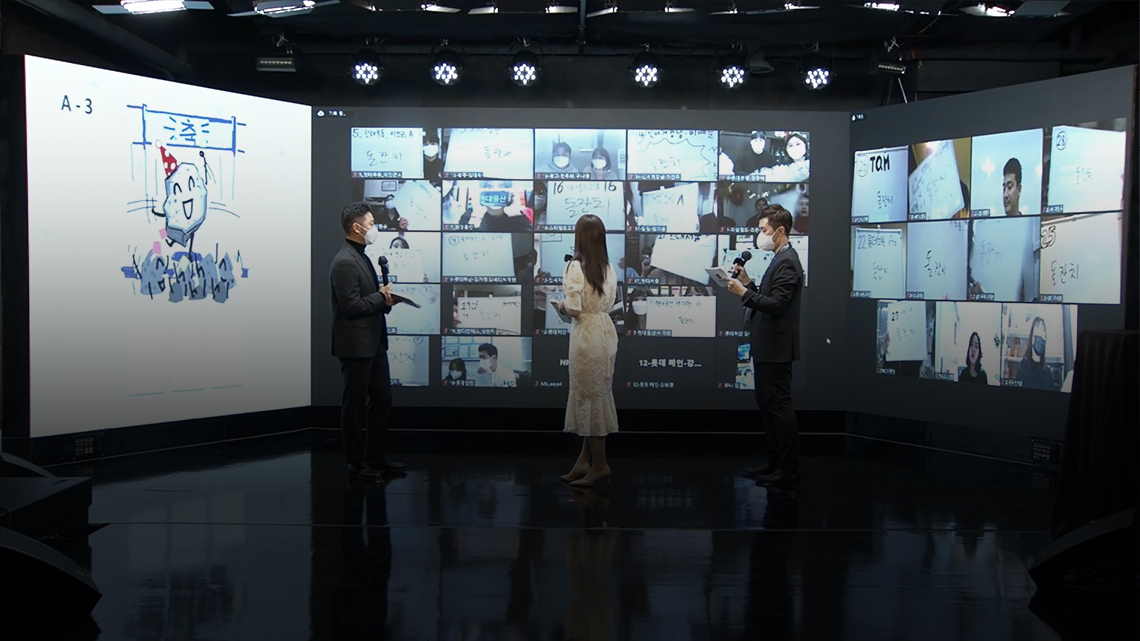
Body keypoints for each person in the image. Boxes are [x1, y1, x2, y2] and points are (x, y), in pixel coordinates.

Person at [726, 205, 804, 486]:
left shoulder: (788, 261)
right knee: (767, 405)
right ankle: (774, 463)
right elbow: (768, 298)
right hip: (766, 345)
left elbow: (778, 305)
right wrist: (748, 283)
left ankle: (789, 470)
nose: (760, 235)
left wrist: (743, 293)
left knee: (779, 407)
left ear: (780, 231)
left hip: (776, 347)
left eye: (763, 230)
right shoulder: (779, 258)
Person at [329, 202, 406, 481]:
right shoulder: (345, 261)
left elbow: (367, 300)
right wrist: (380, 297)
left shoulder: (361, 256)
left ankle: (376, 457)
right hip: (355, 344)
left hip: (373, 342)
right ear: (356, 227)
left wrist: (384, 299)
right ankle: (356, 463)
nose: (375, 228)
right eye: (371, 223)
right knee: (355, 405)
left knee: (382, 398)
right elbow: (350, 307)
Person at [556, 214, 620, 487]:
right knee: (597, 394)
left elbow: (574, 309)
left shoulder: (575, 266)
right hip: (604, 332)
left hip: (585, 336)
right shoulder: (609, 267)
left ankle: (600, 465)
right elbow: (610, 302)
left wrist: (561, 305)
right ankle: (584, 461)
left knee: (588, 396)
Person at [1017, 317, 1058, 390]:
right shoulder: (1023, 367)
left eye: (1043, 332)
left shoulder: (1047, 372)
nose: (1041, 336)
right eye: (1038, 330)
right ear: (1032, 337)